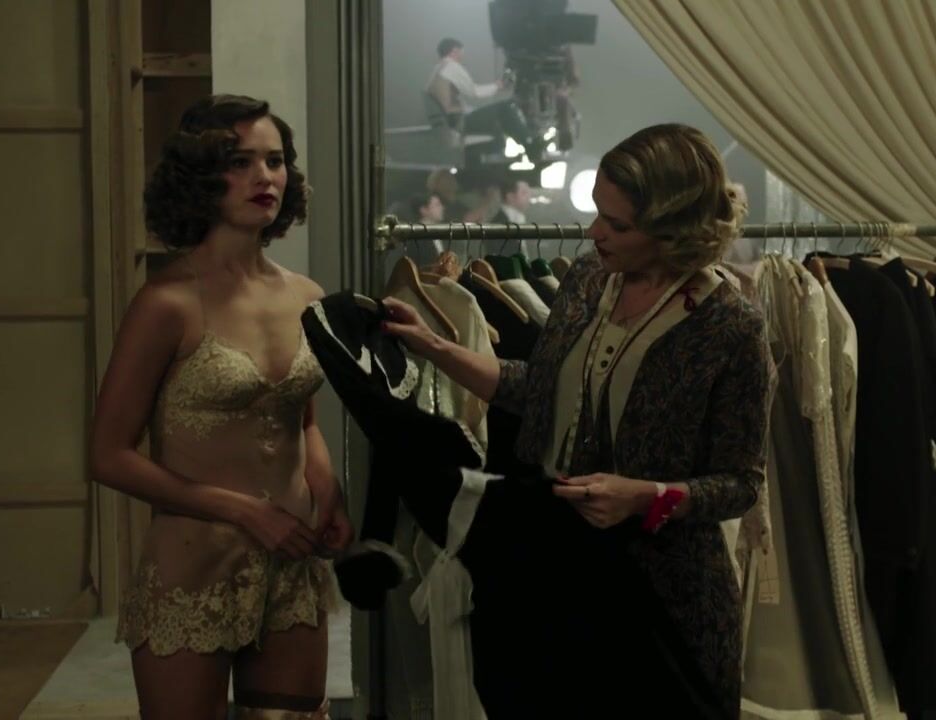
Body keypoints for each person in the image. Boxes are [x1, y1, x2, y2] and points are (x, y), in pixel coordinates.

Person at [380, 123, 776, 717]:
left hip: (663, 596)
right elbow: (539, 390)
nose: (595, 232)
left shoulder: (730, 327)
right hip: (556, 570)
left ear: (674, 228)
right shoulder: (590, 280)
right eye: (597, 213)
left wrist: (646, 498)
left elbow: (741, 483)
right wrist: (436, 347)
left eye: (617, 224)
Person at [89, 94, 351, 720]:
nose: (266, 177)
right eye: (241, 162)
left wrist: (328, 487)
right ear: (200, 176)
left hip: (290, 568)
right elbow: (106, 455)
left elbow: (302, 418)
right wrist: (244, 511)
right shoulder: (167, 302)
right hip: (192, 570)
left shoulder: (307, 297)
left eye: (275, 161)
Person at [424, 37, 507, 130]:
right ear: (454, 51)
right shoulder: (452, 67)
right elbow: (474, 92)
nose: (462, 56)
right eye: (462, 52)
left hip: (445, 118)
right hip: (456, 118)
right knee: (499, 115)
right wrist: (497, 86)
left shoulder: (437, 68)